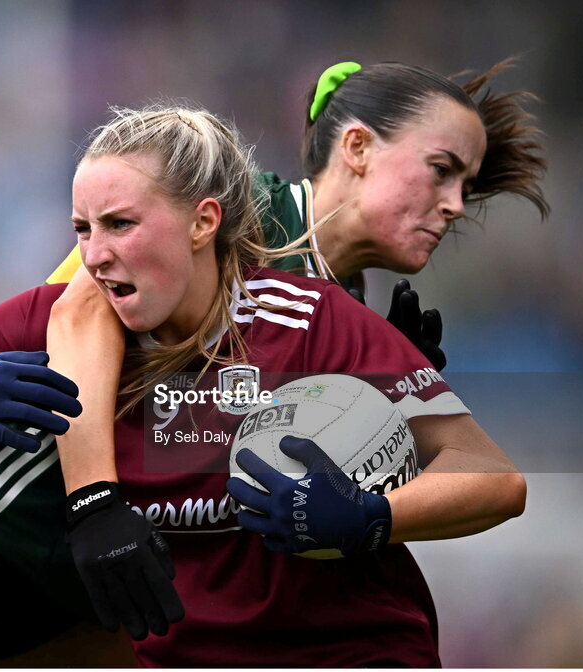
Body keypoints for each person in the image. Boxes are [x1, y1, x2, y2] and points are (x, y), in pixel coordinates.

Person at [0, 101, 529, 667]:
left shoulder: (308, 316)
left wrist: (373, 515)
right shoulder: (56, 318)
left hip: (315, 643)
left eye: (120, 223)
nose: (93, 255)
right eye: (81, 228)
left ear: (202, 222)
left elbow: (493, 478)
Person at [45, 59, 547, 640]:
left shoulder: (336, 305)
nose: (457, 203)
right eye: (441, 170)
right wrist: (93, 503)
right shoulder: (246, 210)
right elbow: (77, 313)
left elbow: (206, 438)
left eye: (466, 186)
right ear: (357, 147)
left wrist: (378, 415)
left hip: (108, 576)